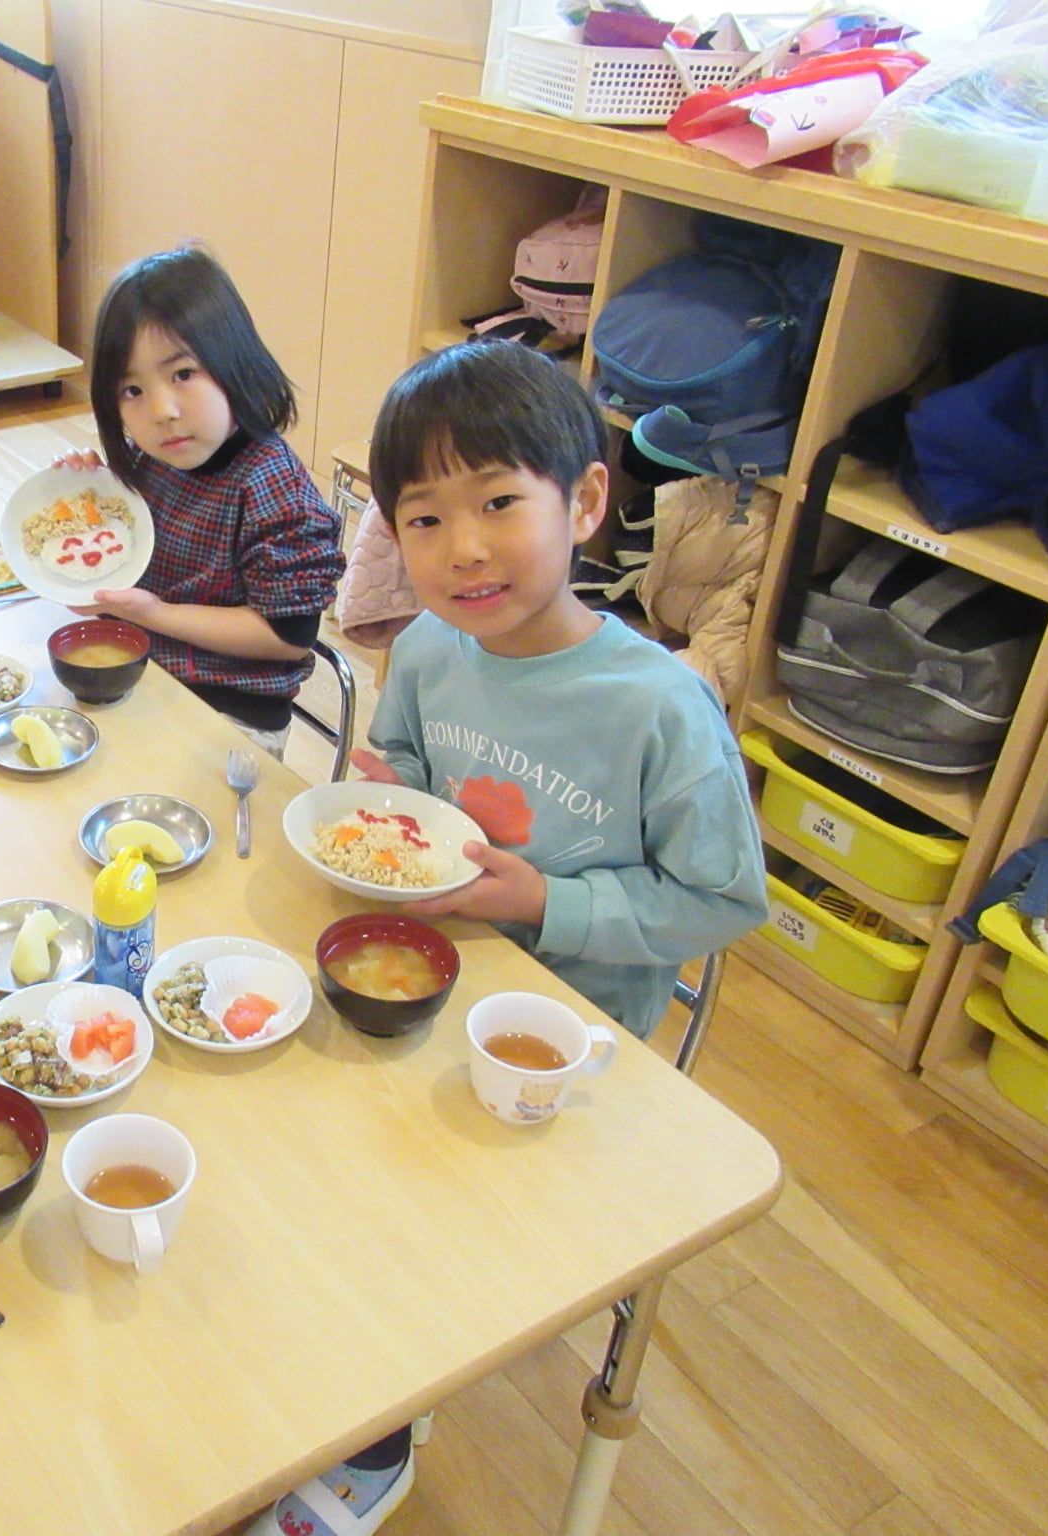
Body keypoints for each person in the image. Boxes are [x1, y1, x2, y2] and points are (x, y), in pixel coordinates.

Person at [245, 340, 767, 1536]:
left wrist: (543, 902)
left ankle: (369, 1434)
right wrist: (388, 789)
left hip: (571, 1053)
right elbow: (420, 784)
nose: (462, 549)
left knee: (402, 1232)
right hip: (427, 975)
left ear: (583, 501)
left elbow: (726, 903)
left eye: (496, 503)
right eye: (422, 519)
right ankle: (309, 1376)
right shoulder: (427, 649)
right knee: (284, 1155)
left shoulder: (656, 705)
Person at [59, 245, 344, 757]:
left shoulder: (272, 487)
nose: (163, 410)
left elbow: (287, 636)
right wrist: (90, 504)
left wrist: (155, 614)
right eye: (131, 390)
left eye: (183, 374)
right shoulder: (149, 460)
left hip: (232, 714)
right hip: (138, 677)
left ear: (234, 361)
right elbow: (106, 580)